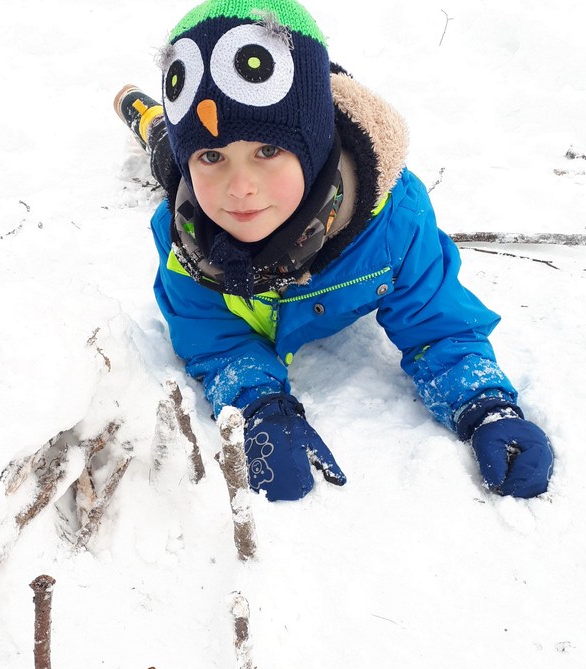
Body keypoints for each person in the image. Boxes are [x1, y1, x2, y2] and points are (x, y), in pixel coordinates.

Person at [114, 0, 554, 501]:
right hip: (175, 155)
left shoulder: (391, 220)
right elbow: (211, 335)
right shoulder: (187, 241)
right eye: (213, 157)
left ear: (315, 146)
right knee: (164, 150)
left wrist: (485, 404)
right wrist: (258, 403)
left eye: (267, 151)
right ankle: (149, 117)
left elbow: (435, 318)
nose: (240, 188)